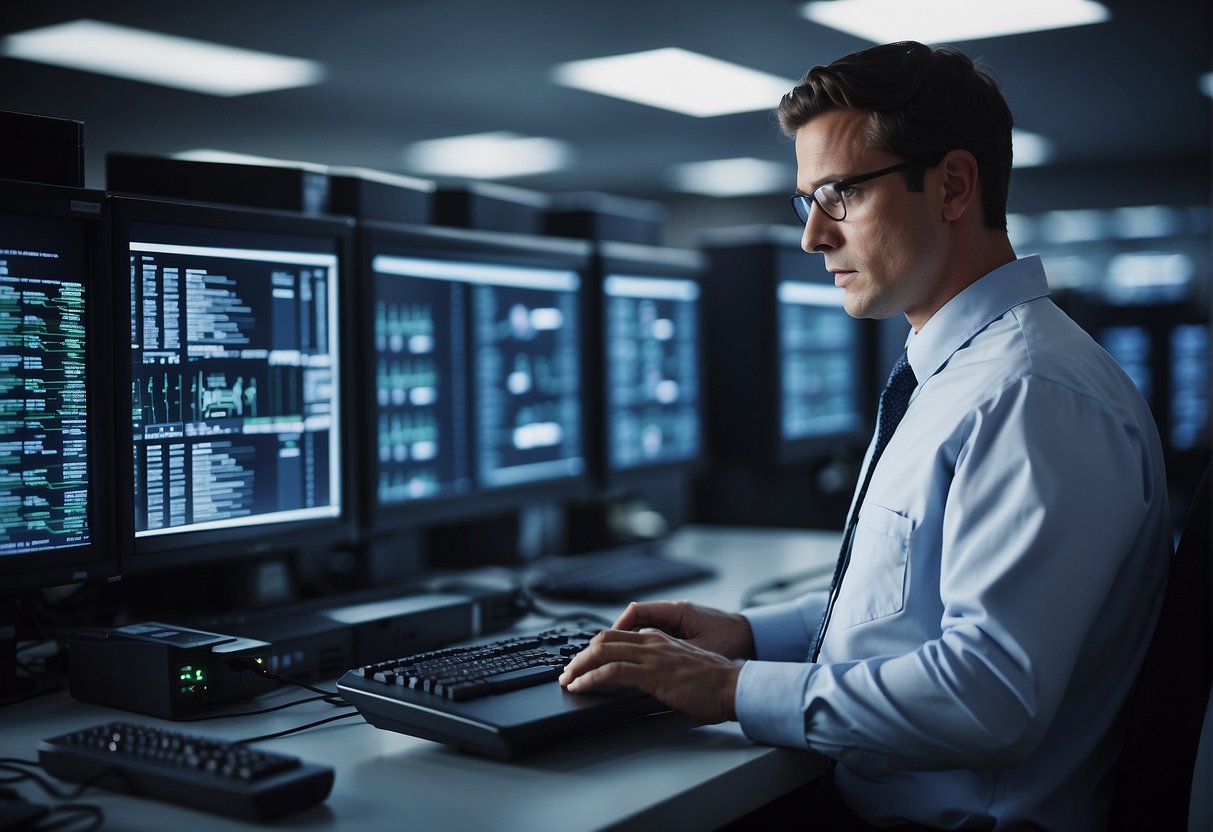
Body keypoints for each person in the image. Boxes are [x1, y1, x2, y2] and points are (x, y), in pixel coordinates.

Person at [559, 41, 1171, 831]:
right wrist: (747, 635)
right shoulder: (960, 377)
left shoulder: (1028, 394)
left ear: (951, 184)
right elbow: (910, 610)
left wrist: (727, 689)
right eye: (805, 201)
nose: (813, 236)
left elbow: (986, 696)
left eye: (839, 194)